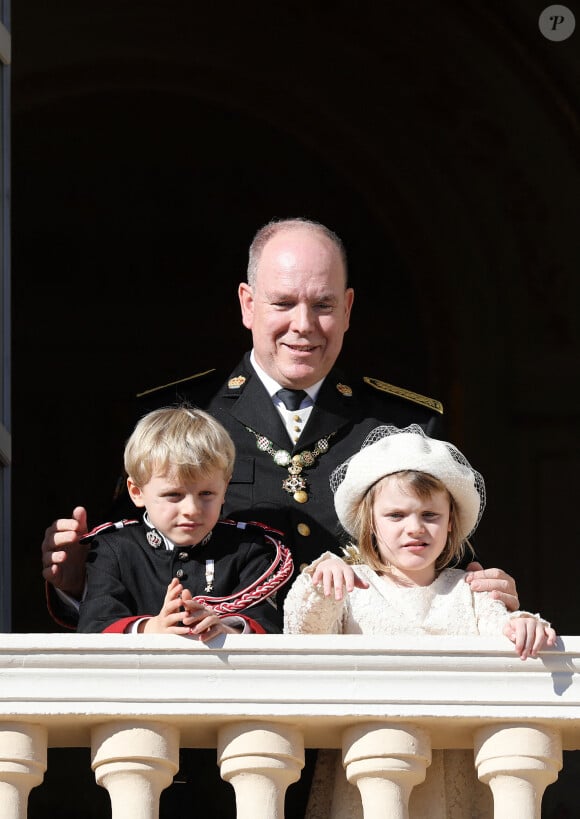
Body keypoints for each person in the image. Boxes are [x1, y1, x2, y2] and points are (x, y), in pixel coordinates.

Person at [40, 217, 520, 818]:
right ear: (246, 303)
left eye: (322, 305)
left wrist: (491, 596)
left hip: (359, 736)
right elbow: (131, 562)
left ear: (347, 309)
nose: (303, 325)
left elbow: (444, 564)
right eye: (283, 302)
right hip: (218, 738)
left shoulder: (403, 425)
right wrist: (73, 588)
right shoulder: (177, 415)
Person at [283, 424, 556, 819]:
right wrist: (320, 584)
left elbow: (505, 628)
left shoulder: (471, 589)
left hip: (455, 766)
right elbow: (304, 638)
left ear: (450, 523)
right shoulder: (351, 585)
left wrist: (526, 624)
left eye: (430, 515)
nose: (414, 528)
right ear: (371, 523)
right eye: (396, 515)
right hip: (372, 766)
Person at [77, 404, 293, 636]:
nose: (191, 509)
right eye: (173, 495)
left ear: (225, 488)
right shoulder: (114, 549)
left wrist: (226, 630)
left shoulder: (250, 549)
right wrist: (151, 629)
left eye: (206, 494)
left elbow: (269, 628)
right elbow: (94, 627)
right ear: (136, 491)